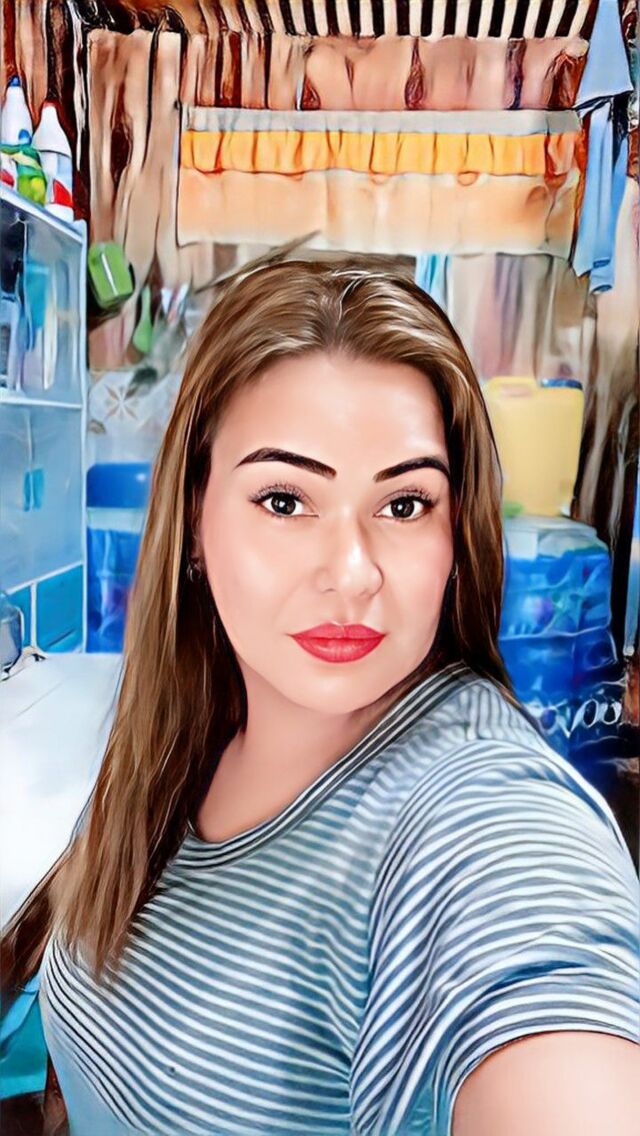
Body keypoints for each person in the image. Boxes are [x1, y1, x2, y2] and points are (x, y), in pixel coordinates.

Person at [2, 260, 639, 1136]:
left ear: (458, 533)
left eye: (405, 505)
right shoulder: (185, 718)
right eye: (284, 499)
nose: (353, 573)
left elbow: (546, 1000)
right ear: (194, 521)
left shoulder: (483, 816)